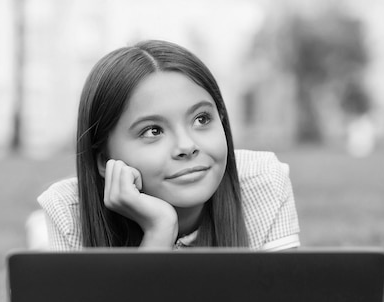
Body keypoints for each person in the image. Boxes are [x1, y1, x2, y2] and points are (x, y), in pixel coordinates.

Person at [36, 40, 300, 251]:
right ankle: (36, 233)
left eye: (201, 119)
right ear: (105, 160)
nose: (187, 146)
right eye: (153, 131)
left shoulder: (262, 182)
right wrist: (159, 231)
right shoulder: (69, 212)